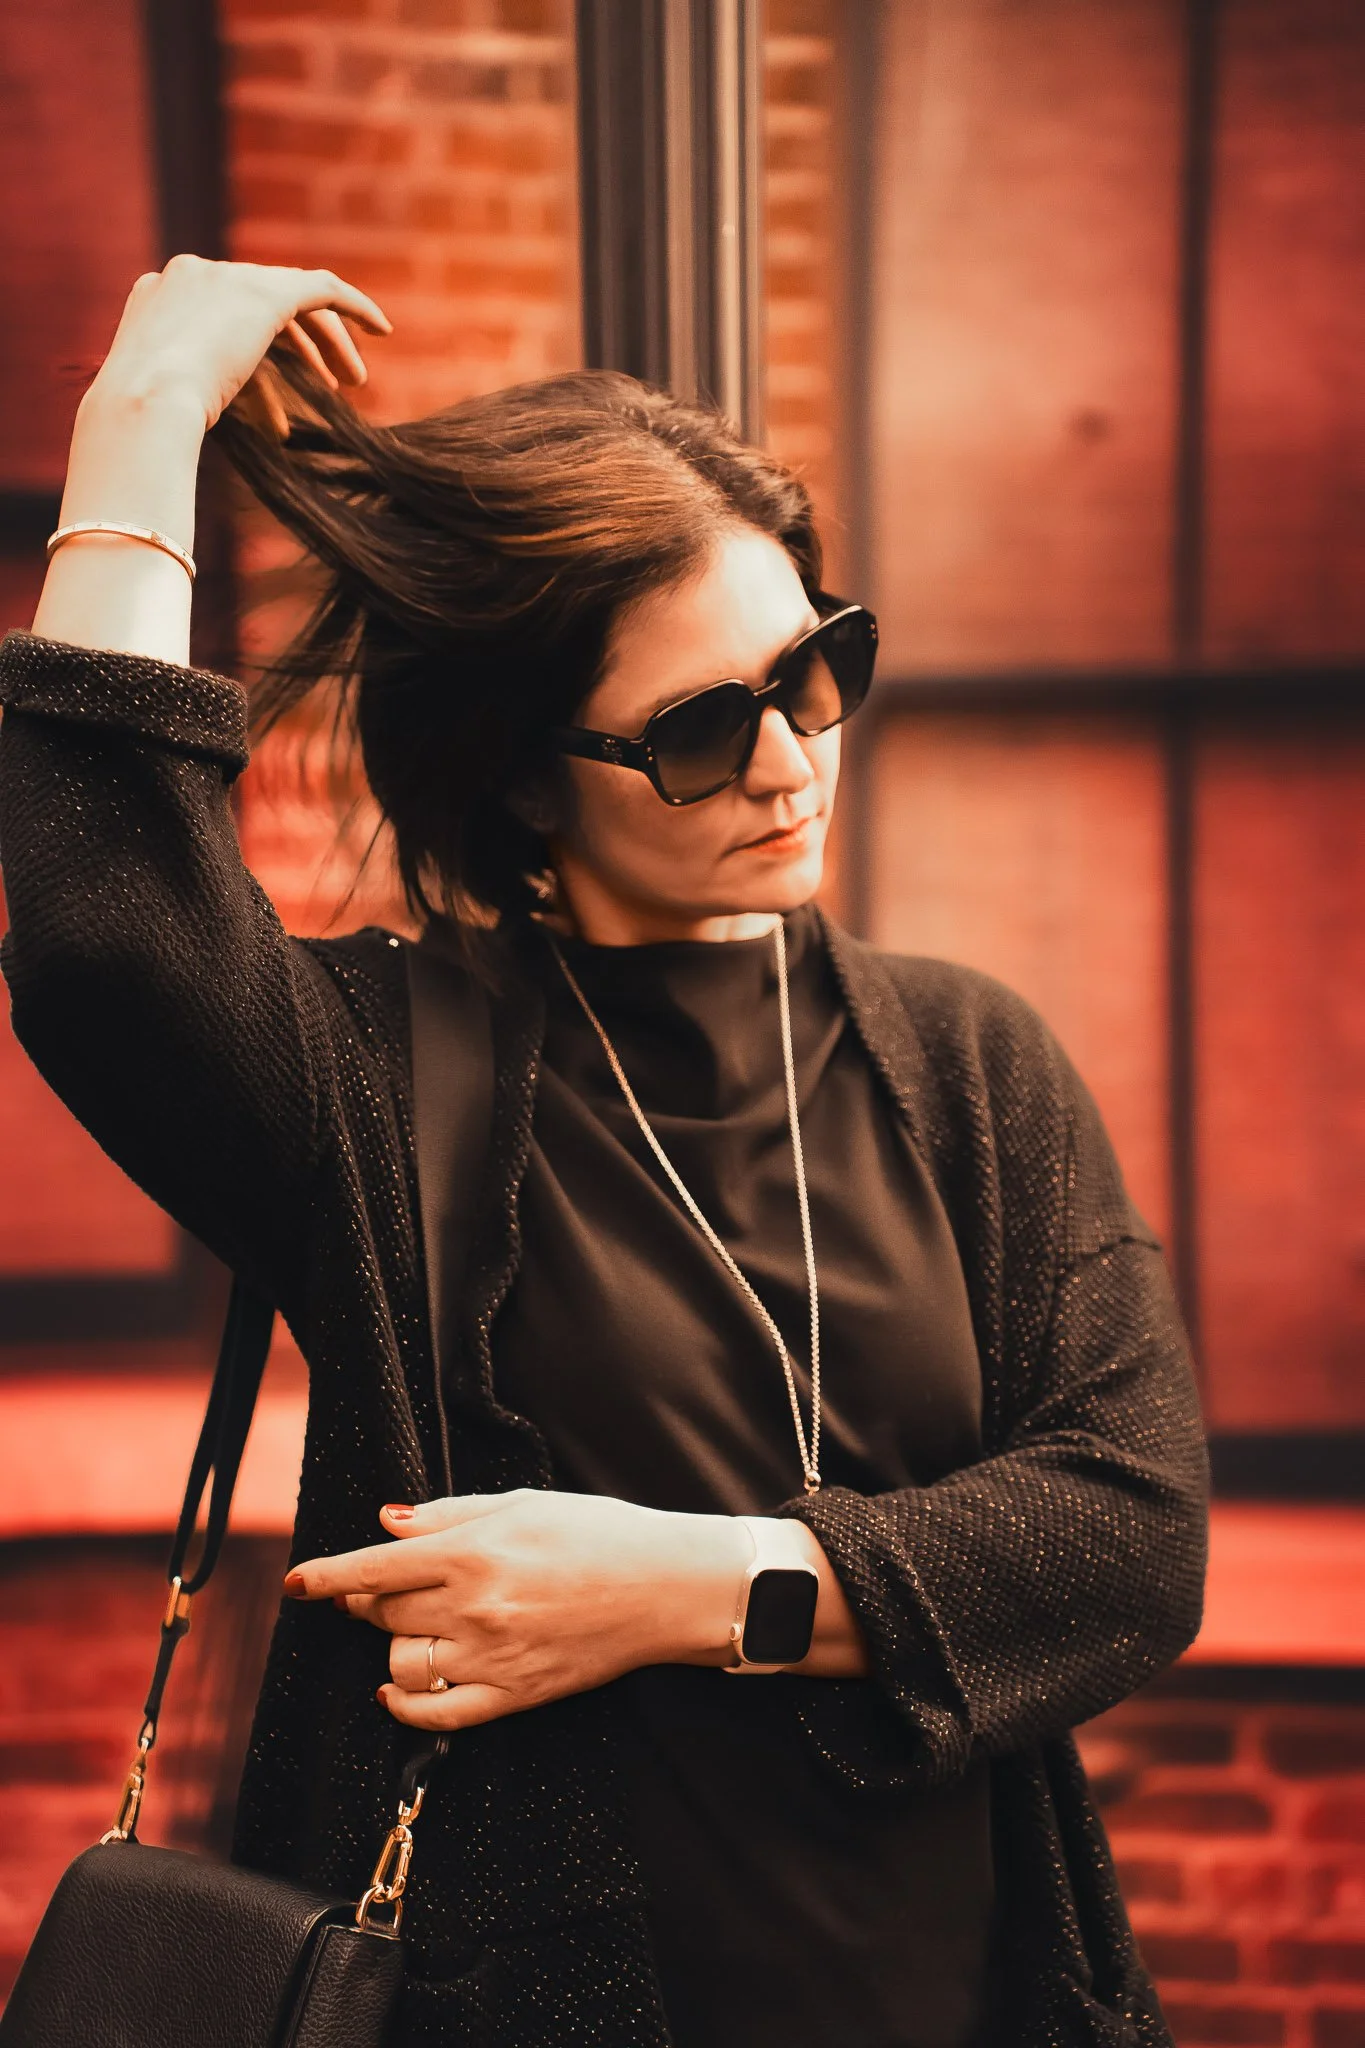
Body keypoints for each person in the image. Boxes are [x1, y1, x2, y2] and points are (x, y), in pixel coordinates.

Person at [0, 259, 1207, 2048]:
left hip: (975, 1998)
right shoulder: (380, 1076)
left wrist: (672, 1589)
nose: (795, 760)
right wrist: (144, 405)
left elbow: (1131, 1535)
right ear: (519, 782)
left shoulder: (971, 1060)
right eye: (703, 731)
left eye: (818, 669)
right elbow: (109, 929)